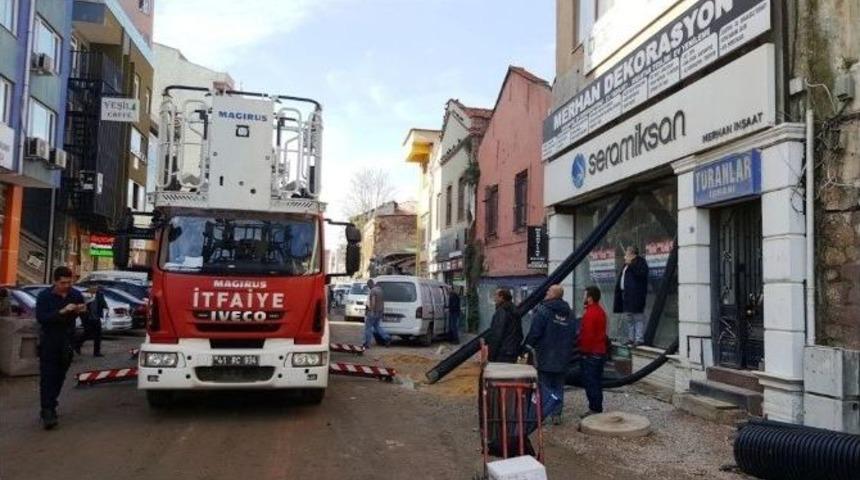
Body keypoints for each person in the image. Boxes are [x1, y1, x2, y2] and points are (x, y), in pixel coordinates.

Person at [36, 266, 87, 430]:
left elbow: (85, 315)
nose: (66, 286)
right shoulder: (45, 296)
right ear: (55, 282)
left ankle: (51, 402)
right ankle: (47, 410)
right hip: (49, 340)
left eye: (69, 282)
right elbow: (42, 318)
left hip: (67, 341)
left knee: (60, 375)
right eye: (63, 283)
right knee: (48, 376)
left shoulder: (75, 294)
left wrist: (82, 310)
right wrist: (62, 311)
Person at [523, 285, 576, 421]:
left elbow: (535, 332)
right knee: (559, 385)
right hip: (563, 356)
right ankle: (556, 414)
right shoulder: (570, 313)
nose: (546, 293)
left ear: (554, 294)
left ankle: (543, 413)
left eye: (548, 291)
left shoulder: (543, 310)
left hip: (546, 355)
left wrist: (526, 346)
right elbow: (573, 333)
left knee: (544, 386)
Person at [579, 286, 609, 417]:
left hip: (591, 353)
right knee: (596, 381)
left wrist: (583, 352)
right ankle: (596, 407)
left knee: (591, 382)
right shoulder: (599, 311)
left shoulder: (590, 313)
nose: (583, 297)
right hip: (599, 352)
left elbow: (588, 335)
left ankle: (595, 409)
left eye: (584, 295)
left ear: (589, 298)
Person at [614, 246, 649, 346]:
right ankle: (631, 338)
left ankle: (639, 339)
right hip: (626, 294)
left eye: (627, 253)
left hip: (636, 295)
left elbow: (641, 274)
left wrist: (631, 264)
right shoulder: (626, 264)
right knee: (629, 318)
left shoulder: (640, 262)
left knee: (637, 317)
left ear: (632, 253)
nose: (625, 255)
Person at [485, 288, 521, 363]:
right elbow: (520, 334)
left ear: (501, 297)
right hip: (512, 351)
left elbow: (497, 335)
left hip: (502, 353)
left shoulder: (502, 311)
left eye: (496, 295)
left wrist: (491, 355)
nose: (494, 298)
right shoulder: (514, 309)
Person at [74, 286, 106, 357]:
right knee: (88, 332)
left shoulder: (100, 294)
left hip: (96, 317)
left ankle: (96, 352)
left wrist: (104, 307)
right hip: (87, 317)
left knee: (98, 335)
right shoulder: (84, 295)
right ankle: (77, 344)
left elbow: (103, 304)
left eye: (96, 288)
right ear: (88, 288)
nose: (94, 289)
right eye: (92, 287)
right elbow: (80, 305)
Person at [363, 279, 391, 349]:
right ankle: (387, 337)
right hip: (379, 312)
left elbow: (373, 302)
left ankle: (367, 343)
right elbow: (382, 302)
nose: (369, 287)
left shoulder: (373, 291)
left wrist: (371, 311)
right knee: (377, 326)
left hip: (373, 312)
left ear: (370, 284)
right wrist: (382, 312)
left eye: (368, 286)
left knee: (368, 328)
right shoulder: (380, 290)